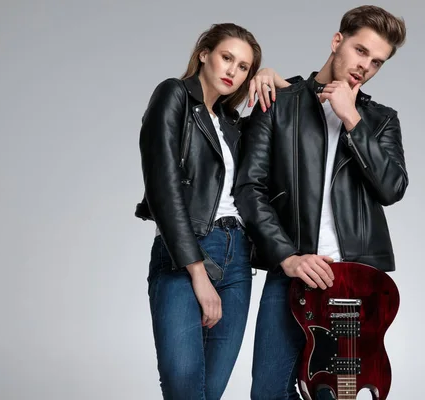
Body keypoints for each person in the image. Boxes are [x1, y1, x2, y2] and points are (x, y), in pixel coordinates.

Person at [233, 5, 409, 400]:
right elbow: (249, 189)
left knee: (335, 393)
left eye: (377, 62)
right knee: (268, 392)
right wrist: (288, 257)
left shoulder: (380, 121)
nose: (366, 66)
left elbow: (393, 188)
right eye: (361, 51)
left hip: (356, 282)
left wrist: (352, 120)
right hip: (292, 271)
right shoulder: (279, 104)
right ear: (337, 42)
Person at [134, 23, 290, 400]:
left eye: (244, 67)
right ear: (204, 53)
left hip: (238, 260)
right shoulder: (173, 95)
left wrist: (276, 79)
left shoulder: (234, 125)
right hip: (186, 253)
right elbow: (163, 190)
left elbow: (286, 121)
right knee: (185, 387)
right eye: (227, 57)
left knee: (210, 390)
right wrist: (198, 275)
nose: (232, 71)